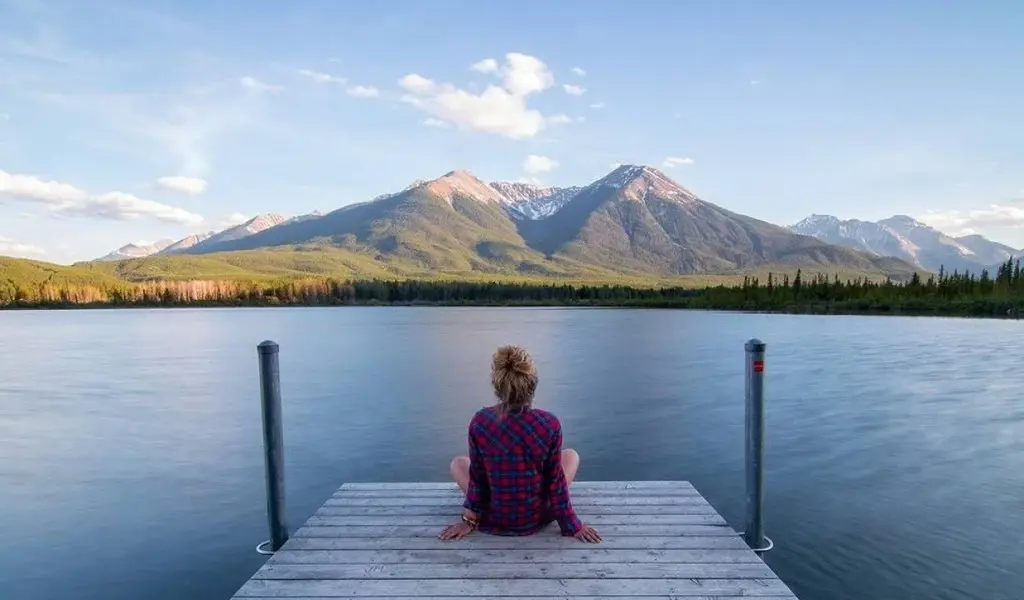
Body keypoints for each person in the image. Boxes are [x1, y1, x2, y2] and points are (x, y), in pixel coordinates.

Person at [440, 345, 601, 543]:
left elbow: (478, 478)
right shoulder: (549, 424)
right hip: (536, 516)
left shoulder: (480, 422)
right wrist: (572, 525)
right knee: (571, 456)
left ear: (497, 387)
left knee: (458, 463)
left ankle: (481, 513)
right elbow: (555, 482)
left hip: (494, 515)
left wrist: (468, 521)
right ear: (532, 385)